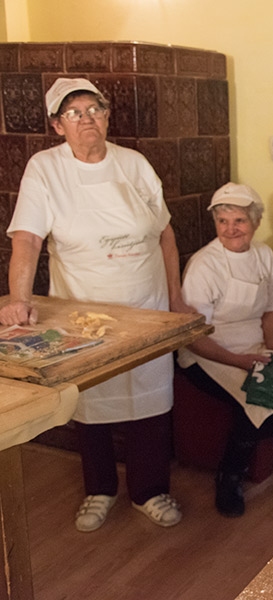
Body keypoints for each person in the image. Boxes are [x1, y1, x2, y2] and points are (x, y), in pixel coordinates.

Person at [0, 77, 189, 532]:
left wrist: (177, 299)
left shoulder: (135, 164)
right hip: (84, 313)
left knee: (150, 399)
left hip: (146, 306)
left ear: (107, 116)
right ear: (56, 125)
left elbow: (164, 233)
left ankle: (149, 490)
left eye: (95, 110)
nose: (87, 120)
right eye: (74, 113)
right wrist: (18, 300)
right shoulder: (45, 169)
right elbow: (27, 239)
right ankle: (100, 489)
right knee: (91, 404)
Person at [177, 182, 273, 517]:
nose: (231, 229)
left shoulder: (263, 255)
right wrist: (238, 361)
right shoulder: (204, 265)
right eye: (223, 221)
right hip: (209, 352)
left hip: (255, 344)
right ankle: (230, 476)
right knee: (259, 399)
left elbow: (272, 308)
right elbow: (194, 336)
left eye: (239, 220)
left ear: (255, 223)